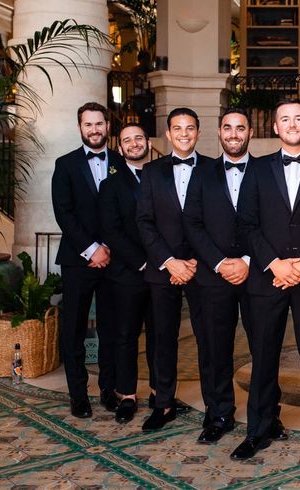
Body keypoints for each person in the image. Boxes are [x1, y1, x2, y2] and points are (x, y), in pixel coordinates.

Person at [233, 100, 300, 458]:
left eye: (298, 118)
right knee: (263, 356)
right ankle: (260, 428)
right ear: (274, 126)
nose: (292, 123)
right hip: (267, 279)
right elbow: (247, 223)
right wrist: (273, 263)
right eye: (285, 118)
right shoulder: (257, 169)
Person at [182, 107, 257, 445]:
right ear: (219, 132)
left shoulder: (265, 171)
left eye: (240, 128)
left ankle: (264, 414)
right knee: (215, 347)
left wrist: (246, 260)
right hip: (214, 276)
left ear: (250, 133)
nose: (233, 134)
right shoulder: (201, 173)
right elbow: (192, 224)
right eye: (227, 128)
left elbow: (272, 222)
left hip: (257, 274)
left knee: (263, 347)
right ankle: (219, 413)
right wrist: (218, 262)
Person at [136, 107, 212, 432]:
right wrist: (170, 261)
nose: (184, 133)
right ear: (167, 134)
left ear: (198, 132)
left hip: (201, 267)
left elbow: (218, 220)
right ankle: (163, 403)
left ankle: (215, 406)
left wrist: (195, 260)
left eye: (190, 127)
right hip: (163, 268)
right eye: (177, 128)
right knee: (162, 337)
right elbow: (144, 221)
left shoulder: (213, 169)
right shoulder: (151, 172)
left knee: (209, 338)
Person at [51, 102, 123, 418]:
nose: (94, 129)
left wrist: (108, 248)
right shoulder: (64, 164)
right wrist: (92, 248)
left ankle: (108, 390)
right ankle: (78, 395)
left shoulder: (121, 163)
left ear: (108, 126)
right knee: (74, 330)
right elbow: (63, 213)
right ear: (80, 127)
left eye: (99, 124)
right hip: (77, 260)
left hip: (114, 260)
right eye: (88, 124)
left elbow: (127, 213)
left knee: (111, 328)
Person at [98, 123, 156, 423]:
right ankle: (127, 395)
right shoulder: (111, 185)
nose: (134, 144)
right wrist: (142, 261)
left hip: (161, 271)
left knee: (161, 335)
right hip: (127, 272)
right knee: (126, 335)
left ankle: (162, 392)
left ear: (147, 142)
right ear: (120, 149)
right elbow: (112, 231)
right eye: (127, 141)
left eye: (138, 138)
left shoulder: (161, 177)